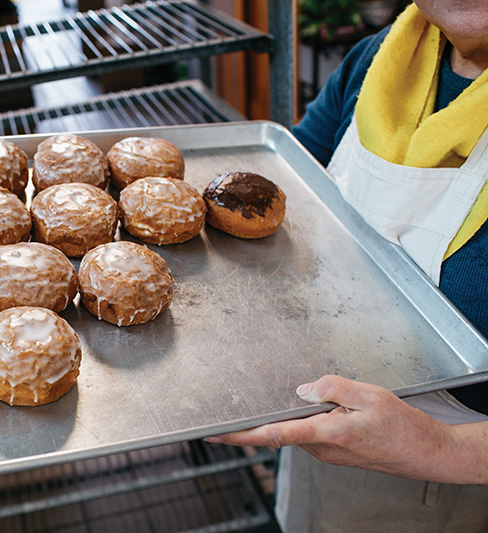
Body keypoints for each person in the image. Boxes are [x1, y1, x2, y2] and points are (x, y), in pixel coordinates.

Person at [206, 1, 488, 531]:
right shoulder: (381, 59)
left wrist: (445, 448)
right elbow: (287, 189)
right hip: (323, 427)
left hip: (458, 487)